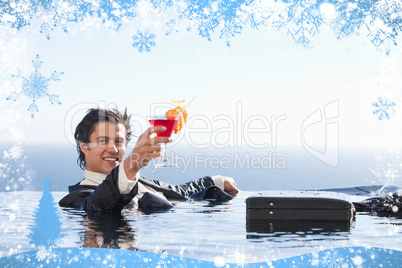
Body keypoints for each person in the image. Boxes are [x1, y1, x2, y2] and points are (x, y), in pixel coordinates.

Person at [59, 108, 239, 211]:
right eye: (103, 140)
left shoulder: (141, 181)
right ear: (84, 145)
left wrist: (217, 181)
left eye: (119, 141)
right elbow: (96, 206)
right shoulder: (75, 199)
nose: (113, 149)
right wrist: (131, 167)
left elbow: (178, 191)